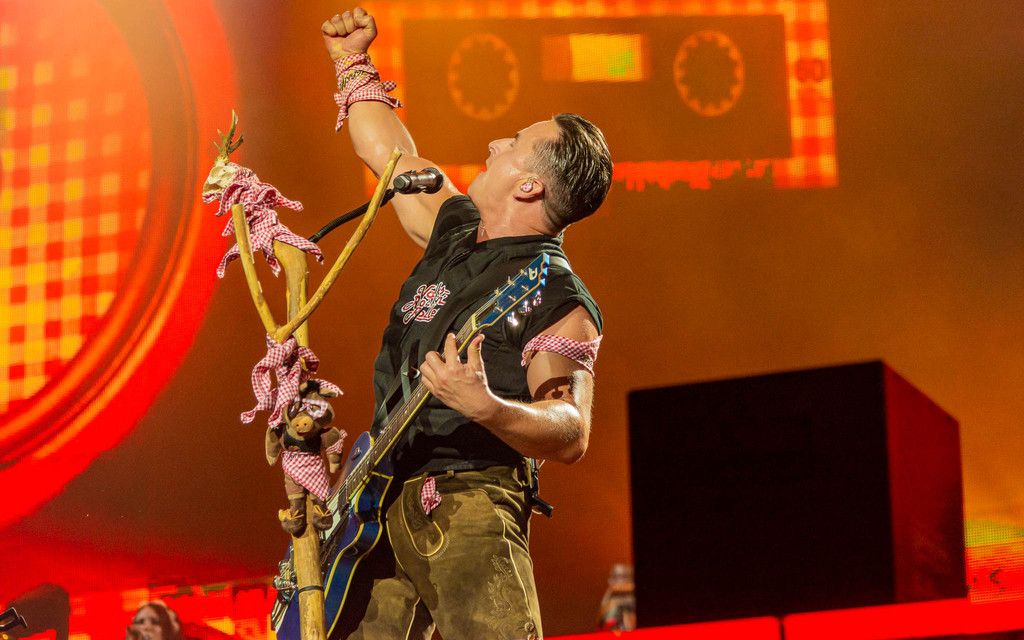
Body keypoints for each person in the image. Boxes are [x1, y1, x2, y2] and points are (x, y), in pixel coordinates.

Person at [321, 7, 612, 639]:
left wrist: (486, 406)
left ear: (529, 186)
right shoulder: (453, 228)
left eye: (513, 143)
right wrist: (352, 61)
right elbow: (391, 154)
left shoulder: (558, 297)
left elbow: (570, 427)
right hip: (378, 503)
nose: (494, 144)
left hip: (469, 501)